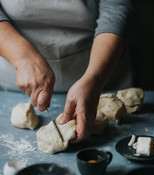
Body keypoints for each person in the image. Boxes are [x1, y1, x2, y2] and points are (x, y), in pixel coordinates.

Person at [0, 0, 133, 142]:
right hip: (13, 84)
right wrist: (22, 57)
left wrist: (95, 78)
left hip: (102, 75)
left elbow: (116, 9)